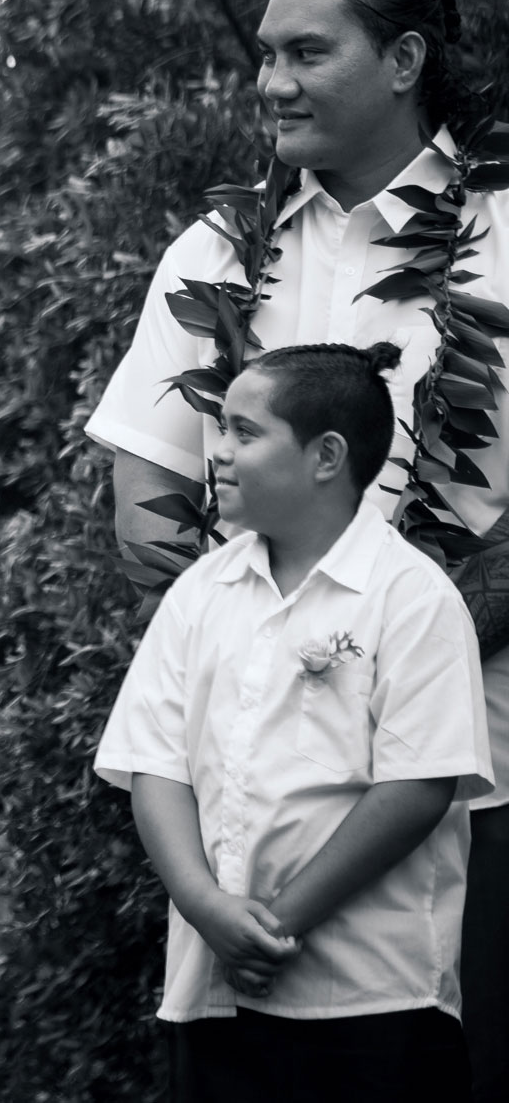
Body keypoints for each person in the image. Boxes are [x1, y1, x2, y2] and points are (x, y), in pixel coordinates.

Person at [84, 0, 509, 1095]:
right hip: (250, 792)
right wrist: (264, 639)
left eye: (305, 52)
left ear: (402, 59)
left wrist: (398, 638)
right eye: (262, 55)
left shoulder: (503, 235)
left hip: (488, 757)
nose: (269, 81)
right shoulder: (221, 254)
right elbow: (143, 500)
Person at [97, 343, 490, 1100]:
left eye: (246, 432)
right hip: (214, 995)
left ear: (326, 455)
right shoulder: (201, 593)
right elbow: (155, 768)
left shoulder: (411, 596)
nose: (219, 453)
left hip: (373, 999)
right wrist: (208, 908)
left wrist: (277, 925)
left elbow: (416, 786)